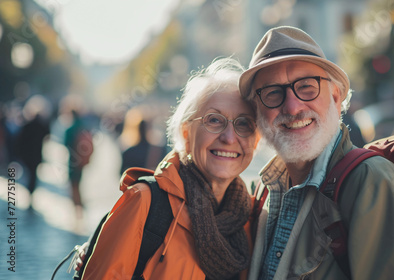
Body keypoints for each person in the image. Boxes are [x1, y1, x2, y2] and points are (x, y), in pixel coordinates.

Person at [238, 26, 394, 279]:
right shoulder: (266, 191)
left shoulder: (372, 180)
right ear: (257, 109)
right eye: (272, 93)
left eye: (307, 87)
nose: (292, 106)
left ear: (335, 96)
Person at [77, 57, 259, 280]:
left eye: (243, 123)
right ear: (186, 133)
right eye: (214, 120)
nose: (229, 137)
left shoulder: (254, 217)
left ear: (256, 140)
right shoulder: (144, 203)